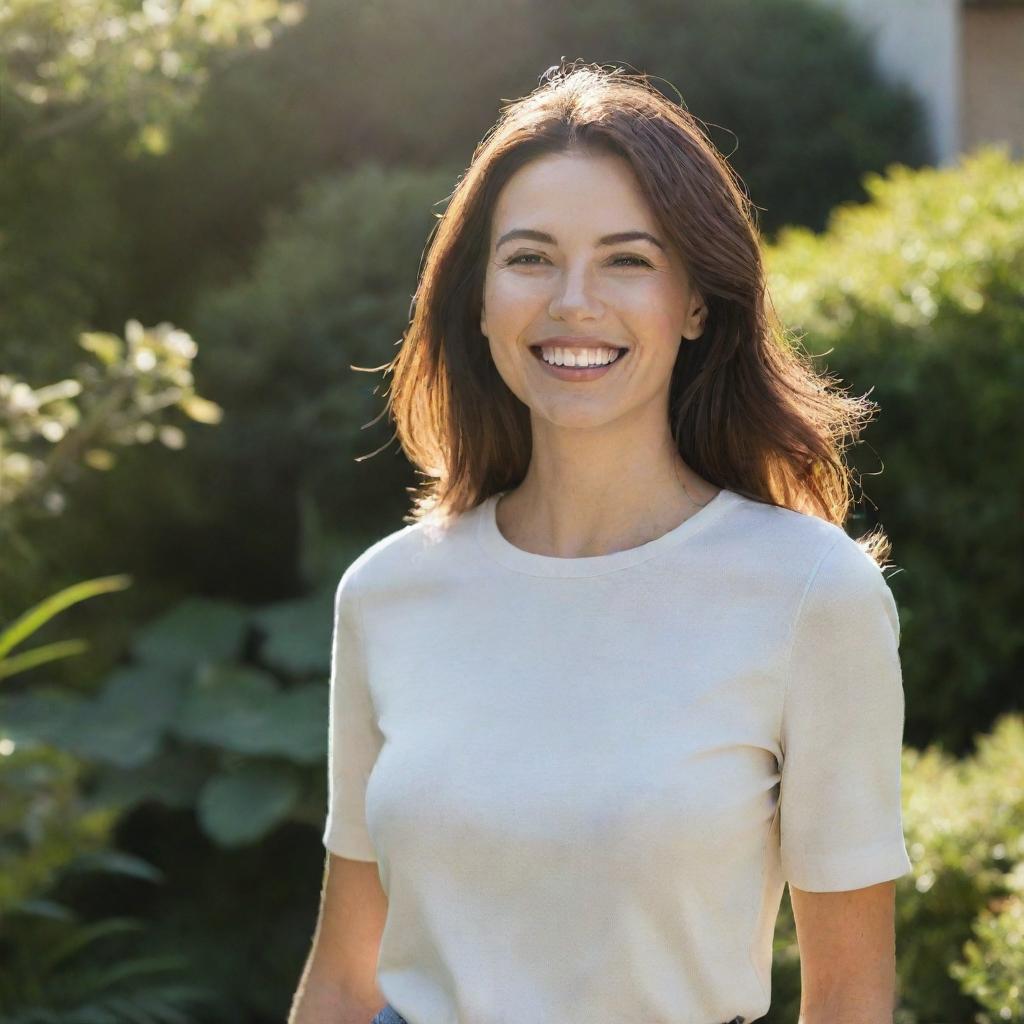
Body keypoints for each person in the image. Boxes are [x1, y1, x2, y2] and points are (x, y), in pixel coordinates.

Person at [290, 59, 913, 1024]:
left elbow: (850, 997)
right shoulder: (386, 593)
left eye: (628, 259)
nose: (574, 302)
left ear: (697, 303)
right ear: (482, 298)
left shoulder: (809, 593)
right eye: (530, 257)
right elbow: (342, 979)